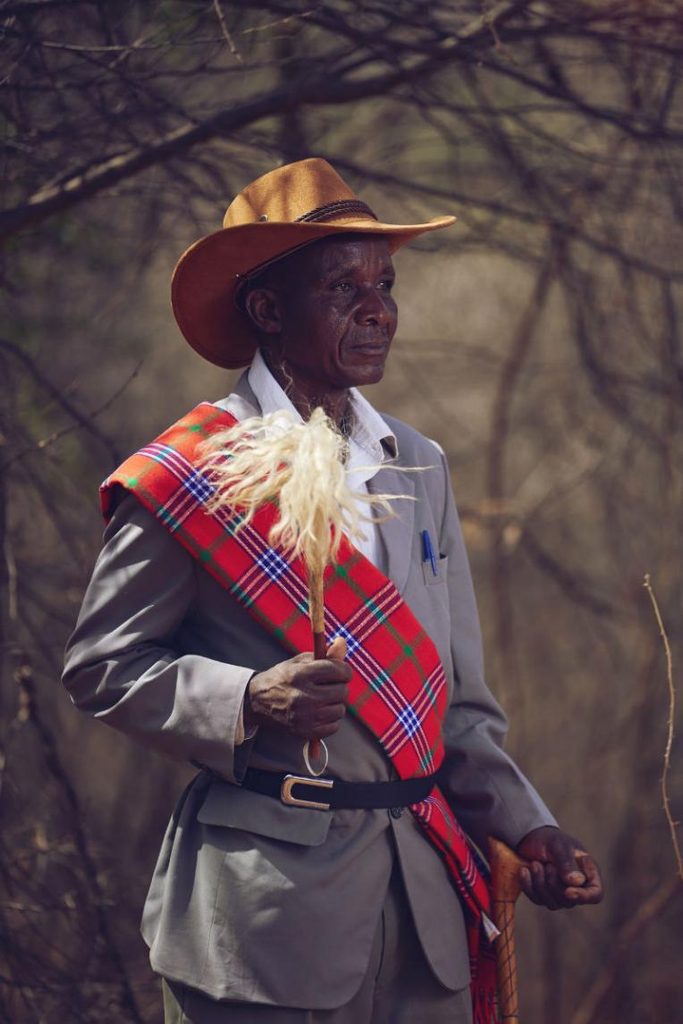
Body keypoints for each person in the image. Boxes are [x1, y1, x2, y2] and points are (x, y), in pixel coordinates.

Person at [62, 158, 603, 1024]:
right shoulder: (190, 474)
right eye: (343, 286)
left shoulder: (419, 463)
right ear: (268, 310)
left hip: (424, 910)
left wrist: (528, 826)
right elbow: (102, 666)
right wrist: (245, 697)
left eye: (385, 284)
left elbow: (454, 704)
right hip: (263, 918)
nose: (378, 307)